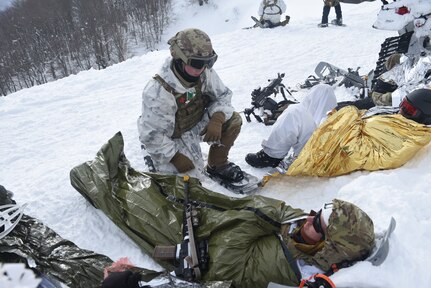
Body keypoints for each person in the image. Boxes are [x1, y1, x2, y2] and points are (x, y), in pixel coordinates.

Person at [70, 134, 376, 288]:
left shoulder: (294, 272)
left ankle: (95, 178)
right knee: (155, 191)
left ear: (329, 249)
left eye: (319, 225)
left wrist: (251, 221)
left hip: (192, 249)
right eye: (318, 211)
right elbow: (252, 207)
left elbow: (227, 265)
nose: (310, 218)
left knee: (134, 210)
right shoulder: (297, 225)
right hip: (203, 220)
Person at [137, 28, 245, 183]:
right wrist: (174, 156)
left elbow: (223, 95)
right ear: (179, 58)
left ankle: (217, 165)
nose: (201, 69)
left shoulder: (203, 72)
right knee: (190, 181)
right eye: (196, 63)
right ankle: (153, 156)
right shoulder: (158, 91)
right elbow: (152, 135)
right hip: (169, 137)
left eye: (207, 63)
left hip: (194, 124)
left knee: (233, 120)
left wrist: (218, 118)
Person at [245, 84, 337, 168]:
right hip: (323, 143)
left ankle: (271, 155)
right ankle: (273, 153)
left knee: (294, 112)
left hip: (317, 152)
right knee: (320, 92)